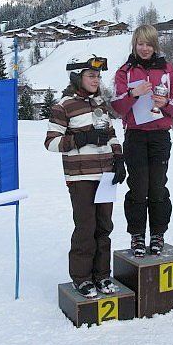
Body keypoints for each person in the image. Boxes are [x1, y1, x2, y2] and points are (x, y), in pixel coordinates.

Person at [44, 54, 126, 298]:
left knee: (104, 226)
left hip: (105, 175)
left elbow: (111, 133)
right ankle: (82, 278)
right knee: (86, 227)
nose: (96, 80)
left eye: (98, 76)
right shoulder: (64, 106)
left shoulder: (99, 103)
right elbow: (51, 142)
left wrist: (118, 159)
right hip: (81, 178)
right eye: (91, 75)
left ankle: (102, 275)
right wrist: (82, 138)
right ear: (77, 77)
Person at [111, 25, 173, 257]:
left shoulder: (169, 71)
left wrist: (166, 104)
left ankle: (157, 234)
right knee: (138, 187)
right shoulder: (124, 72)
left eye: (149, 44)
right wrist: (133, 94)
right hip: (135, 136)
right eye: (140, 44)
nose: (145, 48)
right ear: (134, 44)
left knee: (157, 187)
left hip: (159, 136)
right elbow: (117, 106)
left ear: (155, 46)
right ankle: (137, 235)